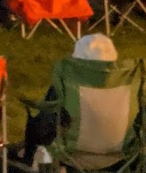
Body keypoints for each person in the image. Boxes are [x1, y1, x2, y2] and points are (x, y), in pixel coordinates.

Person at [16, 31, 118, 165]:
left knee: (48, 115)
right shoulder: (122, 82)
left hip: (76, 144)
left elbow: (48, 119)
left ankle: (33, 157)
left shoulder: (69, 84)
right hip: (116, 144)